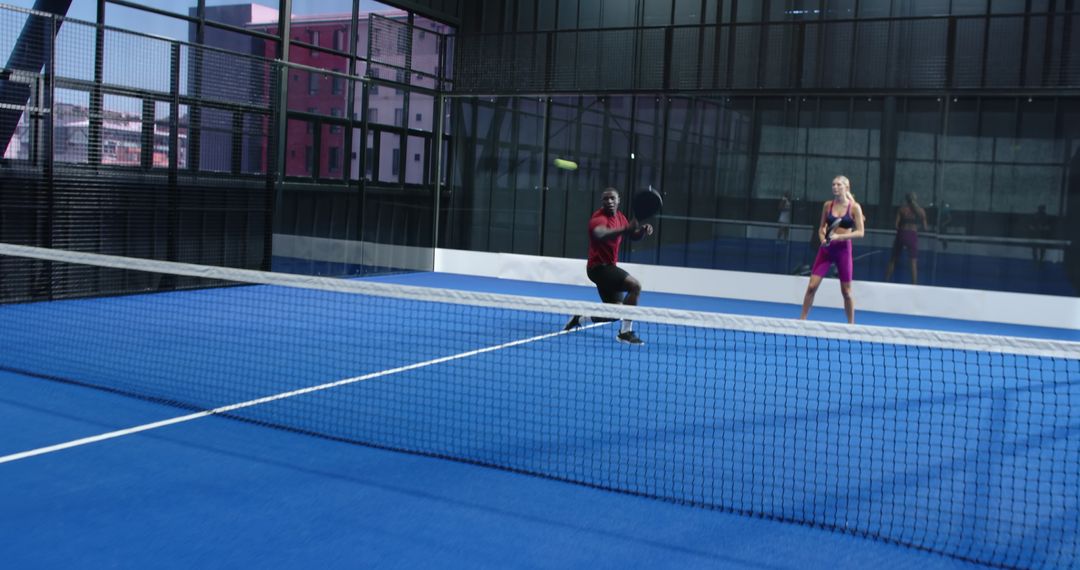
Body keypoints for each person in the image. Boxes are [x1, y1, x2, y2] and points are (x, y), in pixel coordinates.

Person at [564, 187, 654, 345]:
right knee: (635, 286)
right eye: (606, 199)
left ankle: (580, 317)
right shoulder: (598, 218)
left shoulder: (620, 217)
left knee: (614, 313)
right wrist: (625, 229)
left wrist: (642, 232)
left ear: (619, 200)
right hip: (598, 268)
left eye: (613, 198)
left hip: (609, 268)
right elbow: (601, 233)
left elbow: (632, 235)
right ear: (602, 202)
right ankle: (625, 332)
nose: (609, 201)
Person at [799, 175, 865, 324]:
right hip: (826, 250)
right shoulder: (827, 205)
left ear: (846, 188)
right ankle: (801, 321)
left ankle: (851, 326)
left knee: (846, 292)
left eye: (839, 185)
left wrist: (839, 237)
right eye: (833, 184)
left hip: (844, 250)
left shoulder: (854, 207)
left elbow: (860, 232)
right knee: (811, 287)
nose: (835, 187)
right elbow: (821, 228)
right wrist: (823, 239)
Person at [884, 192, 929, 284]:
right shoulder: (921, 211)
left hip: (902, 233)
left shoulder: (902, 210)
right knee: (913, 261)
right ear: (915, 199)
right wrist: (916, 228)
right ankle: (914, 283)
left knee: (893, 259)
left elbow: (896, 225)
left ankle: (886, 280)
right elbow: (925, 228)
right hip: (912, 235)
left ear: (906, 200)